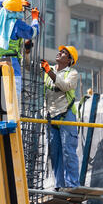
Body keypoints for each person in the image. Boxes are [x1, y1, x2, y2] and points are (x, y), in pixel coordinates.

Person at [41, 45, 80, 191]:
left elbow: (64, 86)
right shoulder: (48, 70)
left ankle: (72, 185)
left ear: (69, 60)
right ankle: (60, 185)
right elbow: (28, 67)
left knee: (68, 150)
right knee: (55, 152)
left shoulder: (72, 73)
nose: (60, 53)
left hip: (66, 114)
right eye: (61, 51)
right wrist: (26, 52)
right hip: (51, 116)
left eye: (64, 53)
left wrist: (49, 71)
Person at [0, 0, 40, 106]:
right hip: (11, 63)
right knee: (12, 99)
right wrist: (35, 18)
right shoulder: (16, 24)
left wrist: (16, 2)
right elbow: (33, 32)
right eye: (20, 9)